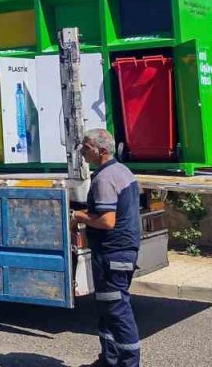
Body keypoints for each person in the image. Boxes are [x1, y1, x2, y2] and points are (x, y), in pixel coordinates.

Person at [72, 129, 142, 367]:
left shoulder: (104, 178)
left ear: (101, 150)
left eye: (86, 147)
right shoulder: (122, 171)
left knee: (116, 310)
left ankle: (129, 363)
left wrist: (79, 216)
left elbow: (107, 221)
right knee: (107, 309)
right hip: (122, 251)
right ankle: (108, 360)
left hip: (112, 253)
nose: (82, 151)